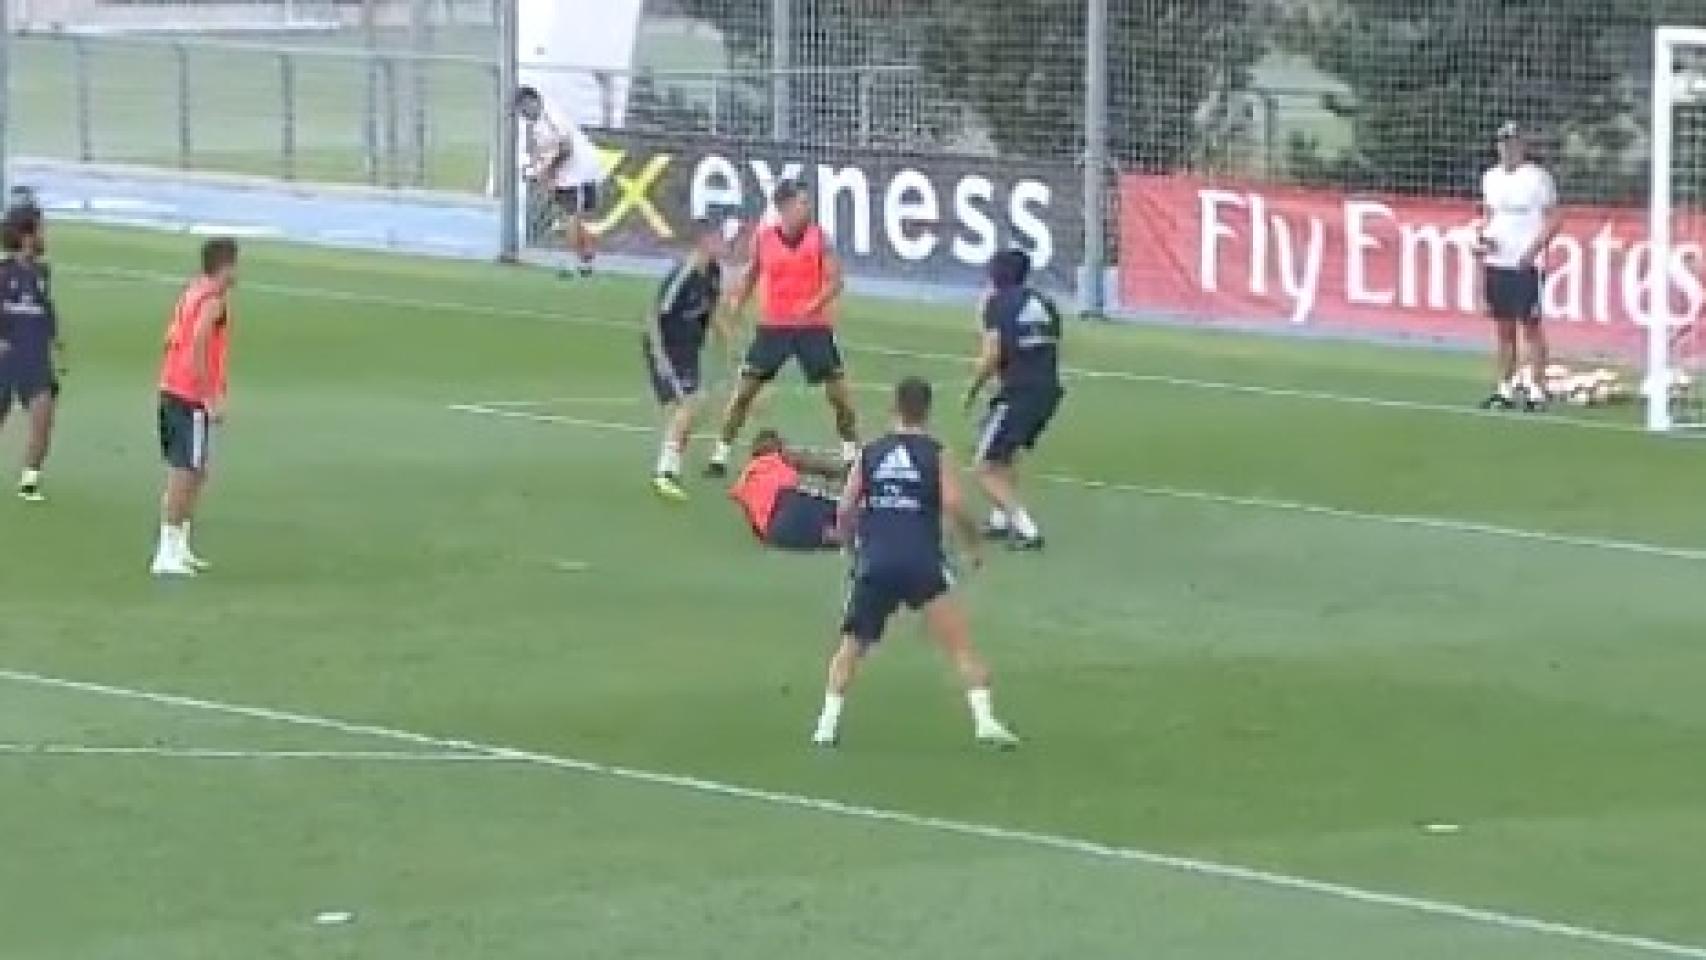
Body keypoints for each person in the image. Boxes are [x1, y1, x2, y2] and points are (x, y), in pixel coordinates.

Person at [811, 376, 1018, 749]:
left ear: (894, 407)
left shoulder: (871, 452)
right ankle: (985, 720)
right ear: (927, 411)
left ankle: (826, 725)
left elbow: (845, 506)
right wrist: (973, 545)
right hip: (921, 561)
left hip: (875, 561)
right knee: (959, 645)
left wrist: (845, 540)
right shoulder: (935, 453)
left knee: (851, 647)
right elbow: (954, 503)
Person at [706, 179, 856, 478]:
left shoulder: (819, 239)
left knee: (839, 396)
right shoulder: (764, 239)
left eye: (808, 202)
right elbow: (752, 275)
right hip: (773, 328)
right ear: (784, 208)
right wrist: (737, 303)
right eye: (802, 203)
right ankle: (720, 453)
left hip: (812, 328)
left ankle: (851, 452)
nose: (808, 208)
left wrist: (814, 304)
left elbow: (836, 281)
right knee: (744, 393)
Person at [964, 249, 1063, 551]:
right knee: (1006, 454)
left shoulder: (997, 303)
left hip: (1019, 393)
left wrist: (972, 388)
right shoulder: (1045, 303)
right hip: (1047, 390)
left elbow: (992, 354)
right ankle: (999, 519)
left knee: (982, 467)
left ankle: (1025, 528)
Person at [151, 238, 239, 578]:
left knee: (195, 470)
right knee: (185, 472)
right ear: (226, 265)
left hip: (172, 389)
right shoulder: (213, 302)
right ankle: (166, 551)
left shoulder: (191, 292)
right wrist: (208, 395)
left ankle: (180, 545)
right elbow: (200, 342)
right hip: (189, 396)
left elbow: (171, 337)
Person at [1475, 121, 1560, 411]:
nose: (1507, 148)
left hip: (1526, 262)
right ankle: (1505, 388)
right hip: (1498, 260)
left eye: (1513, 143)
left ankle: (1537, 389)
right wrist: (1481, 238)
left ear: (1522, 146)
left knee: (1531, 326)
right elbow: (1488, 216)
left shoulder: (1537, 178)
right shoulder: (1490, 178)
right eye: (1503, 143)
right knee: (1503, 327)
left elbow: (1553, 220)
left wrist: (1533, 250)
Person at [648, 220, 734, 500]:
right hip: (667, 347)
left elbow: (713, 313)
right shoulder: (682, 275)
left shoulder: (713, 272)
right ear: (705, 241)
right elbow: (653, 317)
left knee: (693, 410)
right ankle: (664, 472)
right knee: (692, 402)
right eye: (720, 238)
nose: (726, 243)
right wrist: (660, 357)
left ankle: (672, 468)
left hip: (688, 349)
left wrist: (732, 349)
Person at [0, 202, 60, 503]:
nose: (45, 235)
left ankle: (29, 480)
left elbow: (45, 309)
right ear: (26, 235)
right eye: (41, 229)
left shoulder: (42, 273)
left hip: (35, 358)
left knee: (43, 416)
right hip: (7, 359)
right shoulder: (3, 273)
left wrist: (55, 340)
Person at [515, 85, 602, 279]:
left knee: (572, 217)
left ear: (533, 101)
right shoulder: (533, 125)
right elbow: (536, 152)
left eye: (523, 107)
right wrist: (535, 169)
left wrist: (549, 171)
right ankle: (585, 264)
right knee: (576, 218)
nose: (521, 113)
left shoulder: (551, 115)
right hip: (569, 171)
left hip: (578, 170)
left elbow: (566, 148)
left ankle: (575, 263)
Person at [729, 428, 848, 550]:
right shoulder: (776, 458)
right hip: (789, 506)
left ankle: (830, 534)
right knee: (841, 504)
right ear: (777, 448)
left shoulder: (746, 476)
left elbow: (752, 519)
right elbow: (816, 465)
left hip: (776, 535)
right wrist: (845, 473)